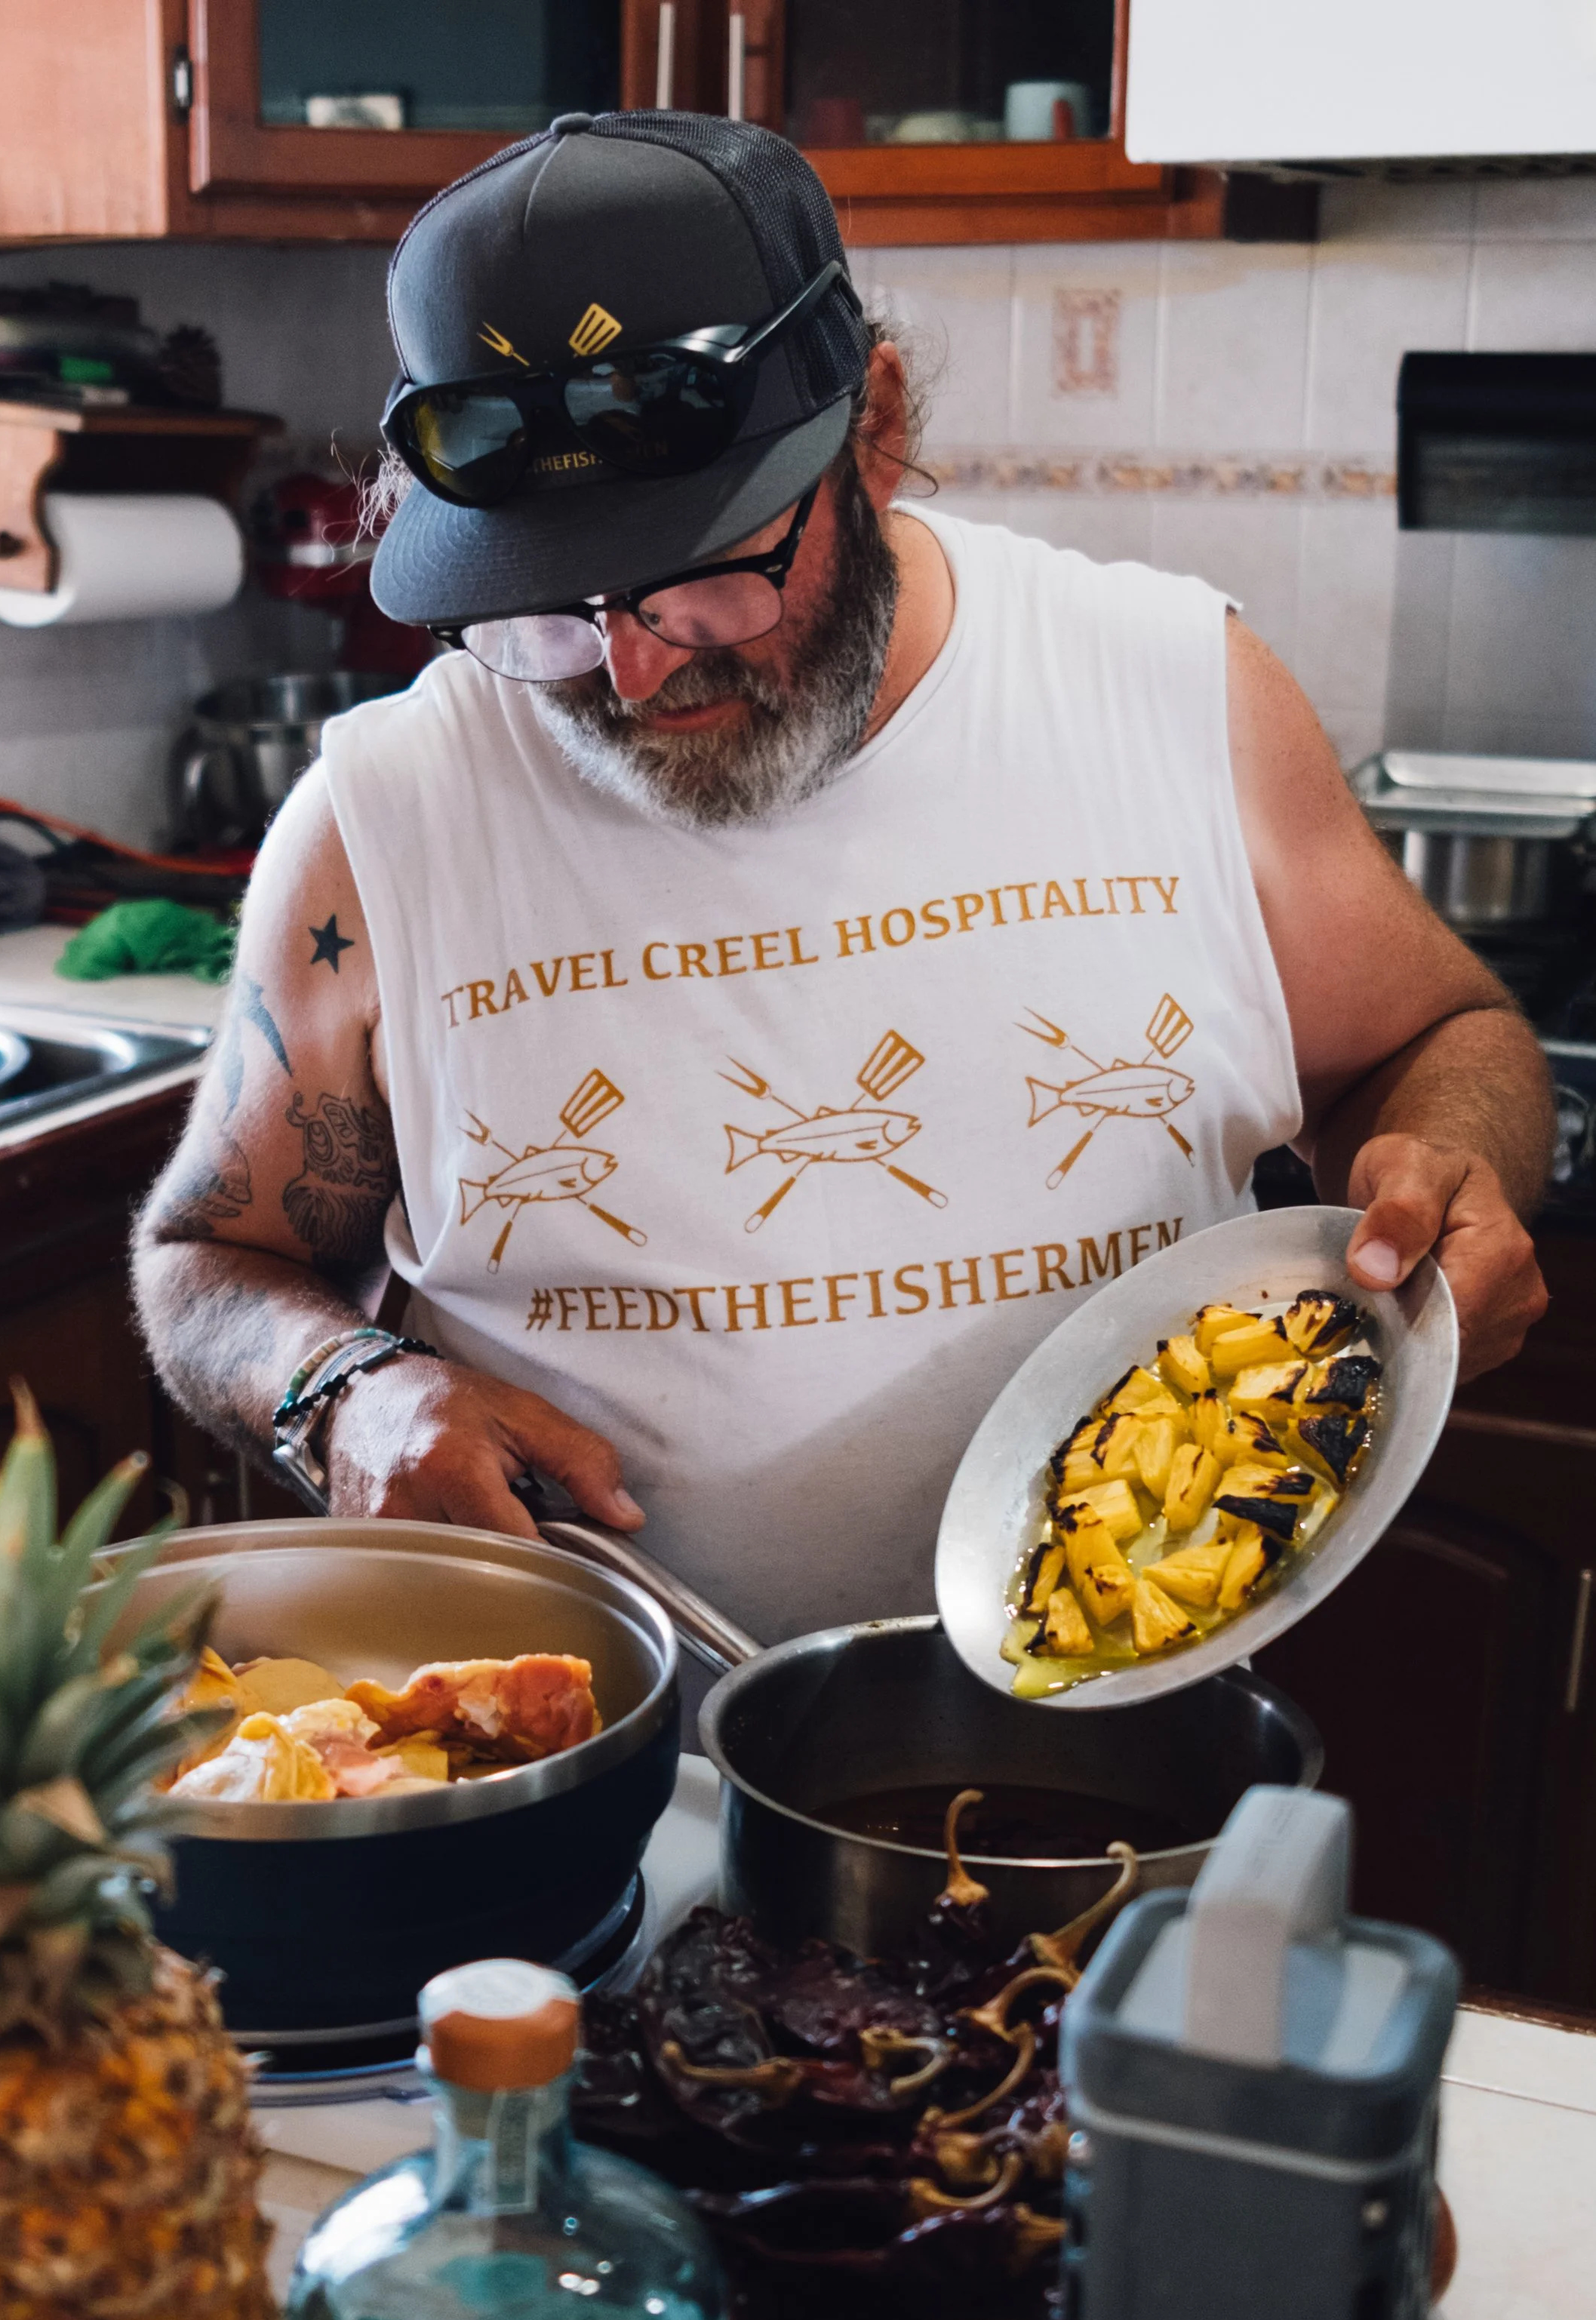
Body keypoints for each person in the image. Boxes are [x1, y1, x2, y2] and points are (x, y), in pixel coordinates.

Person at [134, 111, 1551, 1646]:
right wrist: (345, 1392)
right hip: (597, 1763)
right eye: (543, 606)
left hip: (1129, 1721)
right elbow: (209, 1259)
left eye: (706, 568)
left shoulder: (1166, 688)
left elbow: (1441, 1040)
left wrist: (1448, 1169)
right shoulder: (384, 818)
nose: (627, 665)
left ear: (875, 426)